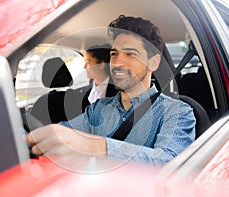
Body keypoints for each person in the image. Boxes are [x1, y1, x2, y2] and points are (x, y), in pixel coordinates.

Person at [26, 15, 196, 166]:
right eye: (114, 54)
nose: (117, 63)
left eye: (130, 54)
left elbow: (170, 162)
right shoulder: (98, 108)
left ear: (154, 62)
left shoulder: (178, 112)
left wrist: (97, 146)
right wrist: (27, 138)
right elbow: (63, 134)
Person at [82, 44, 118, 111]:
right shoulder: (86, 91)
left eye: (88, 62)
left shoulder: (117, 91)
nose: (84, 67)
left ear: (101, 65)